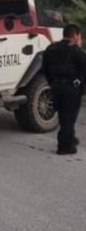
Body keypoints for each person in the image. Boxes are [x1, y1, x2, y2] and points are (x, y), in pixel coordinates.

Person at [42, 24, 86, 155]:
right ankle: (64, 147)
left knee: (63, 116)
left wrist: (52, 83)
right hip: (71, 89)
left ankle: (70, 138)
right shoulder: (76, 50)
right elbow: (84, 69)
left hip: (56, 87)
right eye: (80, 36)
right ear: (75, 35)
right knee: (69, 118)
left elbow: (45, 69)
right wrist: (77, 84)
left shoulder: (50, 49)